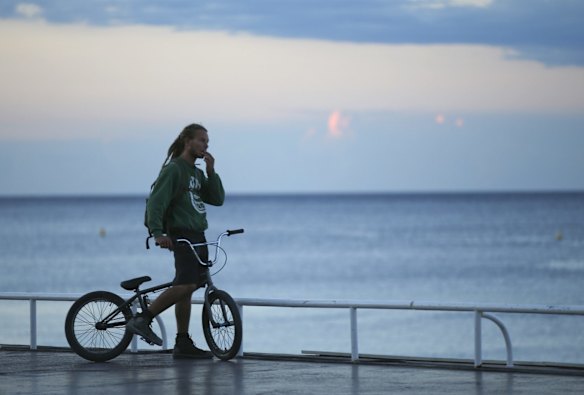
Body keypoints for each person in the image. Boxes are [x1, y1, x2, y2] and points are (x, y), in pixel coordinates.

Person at [127, 123, 225, 359]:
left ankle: (182, 342)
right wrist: (158, 232)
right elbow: (156, 203)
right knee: (186, 285)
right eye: (201, 140)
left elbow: (217, 199)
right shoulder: (174, 170)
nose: (205, 145)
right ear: (187, 141)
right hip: (181, 234)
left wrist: (212, 171)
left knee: (188, 289)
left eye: (207, 142)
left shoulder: (197, 173)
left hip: (198, 235)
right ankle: (143, 319)